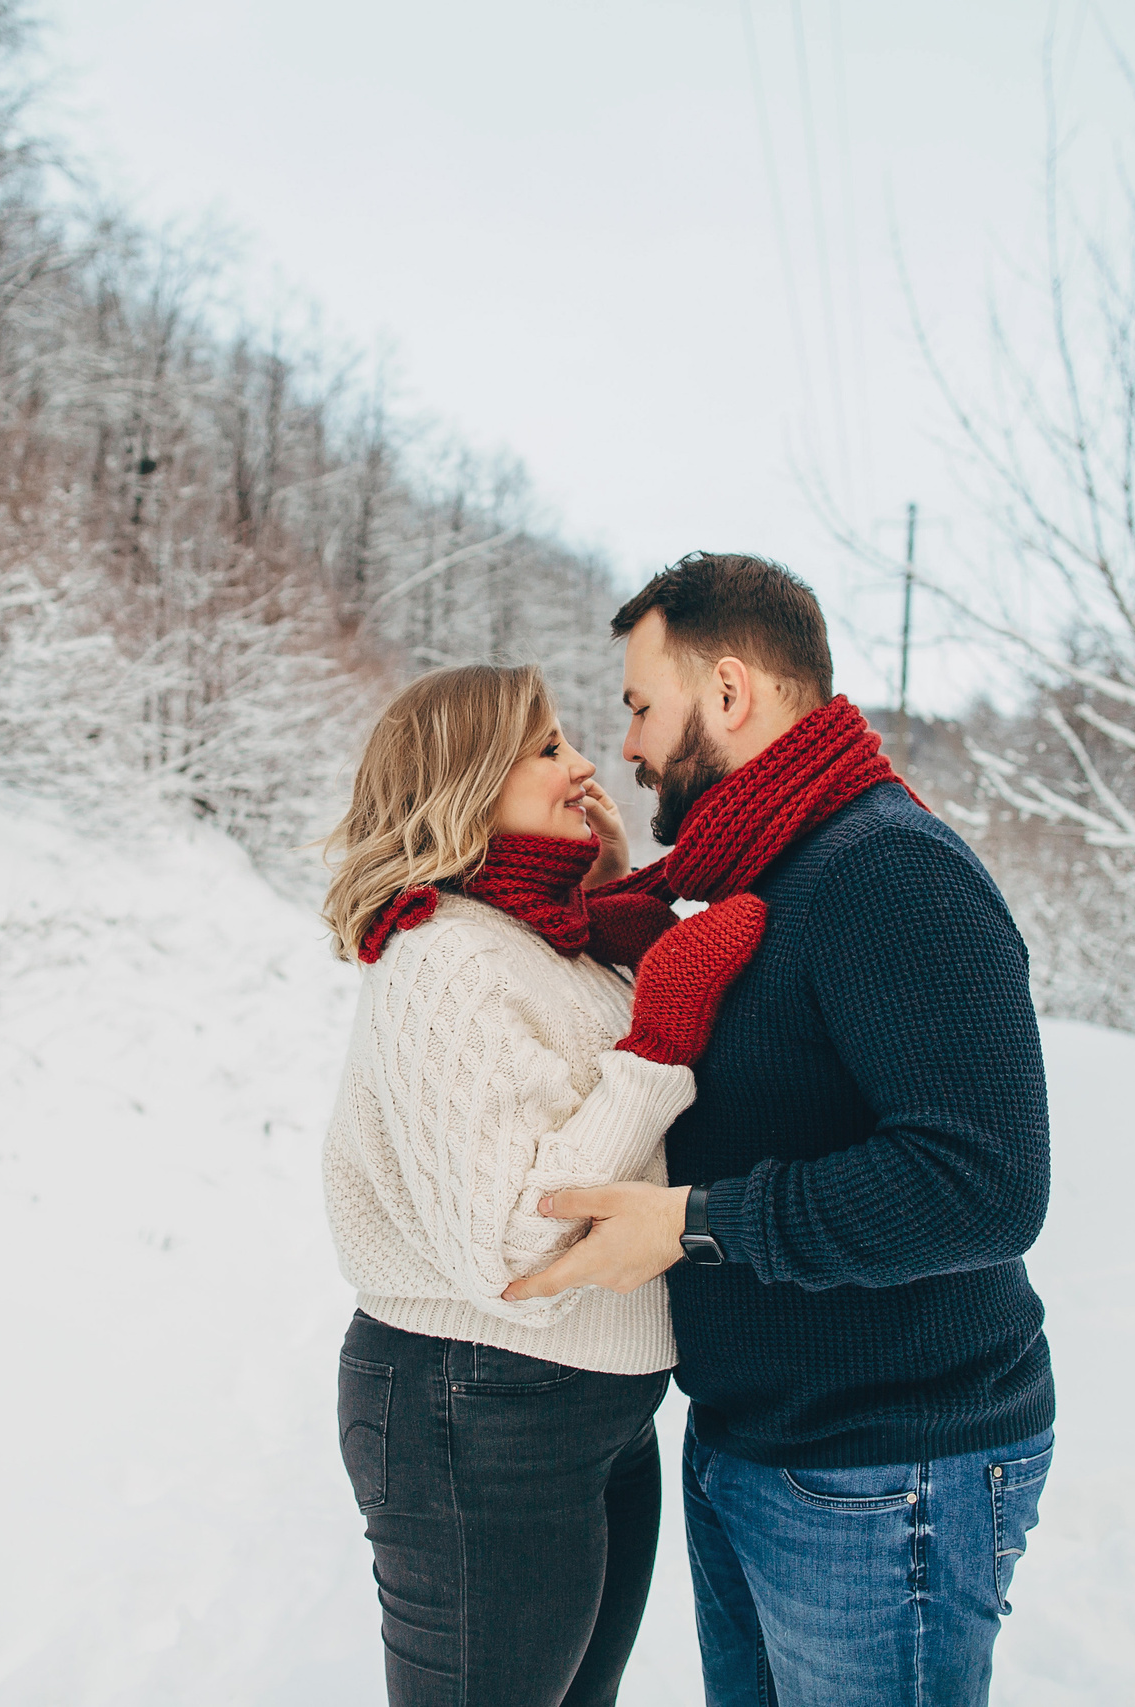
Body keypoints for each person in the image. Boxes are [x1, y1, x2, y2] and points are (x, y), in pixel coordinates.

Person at [504, 553, 1056, 1707]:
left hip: (886, 1467)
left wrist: (693, 1224)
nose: (633, 748)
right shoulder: (777, 869)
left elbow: (986, 1185)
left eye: (643, 708)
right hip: (766, 1446)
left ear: (730, 691)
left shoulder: (885, 869)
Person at [318, 662, 767, 1707]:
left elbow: (592, 1114)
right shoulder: (443, 957)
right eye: (552, 748)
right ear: (471, 778)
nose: (586, 768)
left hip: (581, 1405)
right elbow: (511, 1241)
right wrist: (658, 1034)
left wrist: (607, 906)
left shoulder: (535, 940)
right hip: (476, 1408)